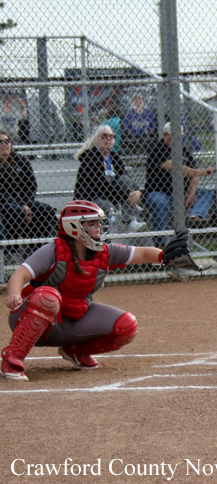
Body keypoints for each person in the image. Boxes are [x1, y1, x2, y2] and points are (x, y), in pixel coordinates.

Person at [0, 200, 196, 381]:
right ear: (73, 226)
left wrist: (164, 257)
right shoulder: (54, 250)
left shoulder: (105, 251)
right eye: (91, 224)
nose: (98, 228)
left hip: (72, 319)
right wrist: (14, 294)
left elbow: (142, 252)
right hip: (32, 316)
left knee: (126, 326)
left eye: (98, 223)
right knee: (48, 298)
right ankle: (12, 358)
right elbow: (20, 275)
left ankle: (75, 350)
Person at [143, 123, 216, 248]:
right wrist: (203, 172)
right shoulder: (157, 148)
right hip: (161, 193)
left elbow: (193, 175)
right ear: (166, 135)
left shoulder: (183, 150)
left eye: (181, 137)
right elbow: (175, 167)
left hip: (182, 195)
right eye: (175, 136)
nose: (179, 140)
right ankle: (160, 244)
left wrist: (191, 193)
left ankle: (194, 216)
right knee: (159, 202)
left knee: (206, 192)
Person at [73, 125, 145, 233]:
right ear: (96, 139)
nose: (109, 139)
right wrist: (126, 196)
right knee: (107, 206)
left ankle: (130, 221)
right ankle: (108, 234)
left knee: (124, 180)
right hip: (93, 198)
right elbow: (101, 185)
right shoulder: (90, 158)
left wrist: (137, 191)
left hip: (112, 195)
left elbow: (127, 177)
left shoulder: (114, 157)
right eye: (104, 136)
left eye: (111, 136)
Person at [0, 131, 57, 263]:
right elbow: (2, 192)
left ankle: (37, 250)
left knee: (45, 210)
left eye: (7, 141)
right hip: (4, 202)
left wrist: (26, 202)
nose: (4, 144)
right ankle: (11, 251)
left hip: (25, 201)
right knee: (16, 211)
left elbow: (31, 185)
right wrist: (21, 204)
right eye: (0, 142)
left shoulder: (20, 160)